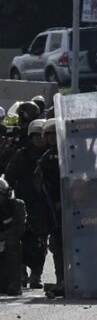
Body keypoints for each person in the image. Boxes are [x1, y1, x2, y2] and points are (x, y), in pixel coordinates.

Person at [4, 119, 48, 288]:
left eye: (41, 136)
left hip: (43, 204)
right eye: (36, 136)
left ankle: (36, 275)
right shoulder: (22, 155)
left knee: (40, 242)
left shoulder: (50, 154)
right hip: (24, 203)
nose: (39, 139)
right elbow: (9, 177)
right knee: (19, 239)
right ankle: (21, 273)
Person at [34, 120, 63, 293]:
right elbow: (39, 182)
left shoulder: (71, 152)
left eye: (55, 134)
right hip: (54, 208)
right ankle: (62, 279)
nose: (52, 137)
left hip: (72, 205)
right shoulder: (46, 157)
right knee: (57, 245)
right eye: (49, 134)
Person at [0, 178, 27, 296]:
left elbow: (20, 227)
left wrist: (3, 237)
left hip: (14, 243)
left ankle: (16, 284)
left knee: (13, 243)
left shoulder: (17, 205)